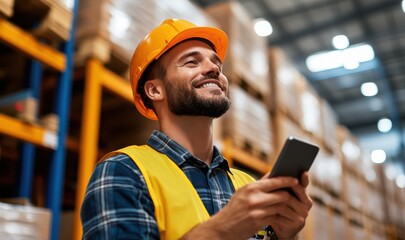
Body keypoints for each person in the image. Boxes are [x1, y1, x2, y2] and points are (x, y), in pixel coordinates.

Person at [81, 18, 313, 240]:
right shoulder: (123, 172)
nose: (214, 69)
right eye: (192, 62)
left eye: (216, 63)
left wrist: (285, 235)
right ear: (155, 90)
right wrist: (224, 230)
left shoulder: (248, 186)